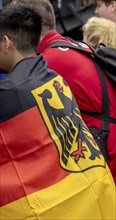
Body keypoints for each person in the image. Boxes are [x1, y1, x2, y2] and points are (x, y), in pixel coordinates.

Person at [0, 3, 115, 220]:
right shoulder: (60, 55)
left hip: (109, 153)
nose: (97, 9)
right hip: (98, 175)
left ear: (6, 43)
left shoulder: (51, 64)